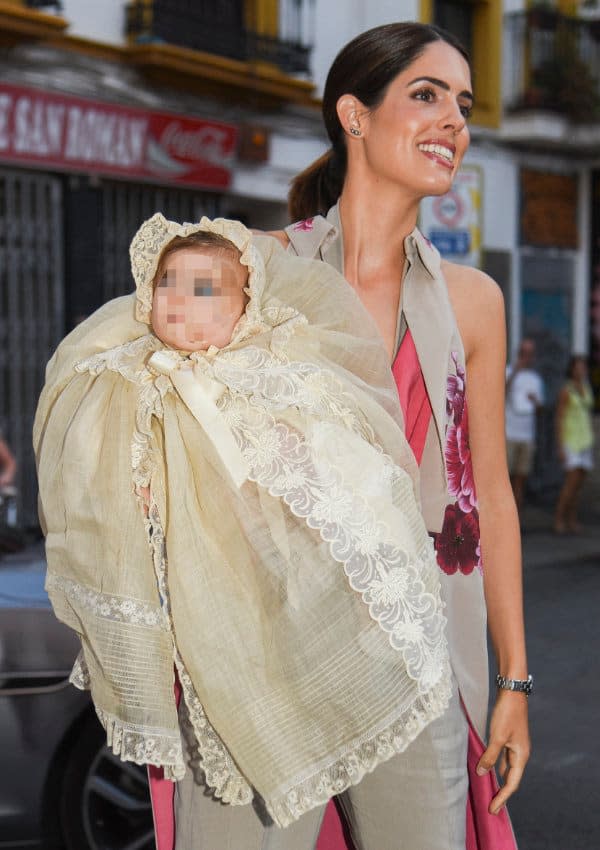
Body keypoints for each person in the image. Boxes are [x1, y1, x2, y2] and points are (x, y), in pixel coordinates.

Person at [34, 215, 454, 848]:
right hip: (234, 656)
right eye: (168, 282)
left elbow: (359, 484)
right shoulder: (130, 386)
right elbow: (102, 501)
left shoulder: (285, 368)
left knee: (411, 828)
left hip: (348, 633)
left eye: (206, 289)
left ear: (247, 302)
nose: (179, 299)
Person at [263, 21, 530, 850]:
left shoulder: (473, 300)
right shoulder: (260, 271)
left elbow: (487, 490)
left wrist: (514, 678)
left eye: (463, 103)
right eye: (426, 94)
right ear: (354, 114)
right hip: (274, 653)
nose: (454, 119)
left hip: (417, 654)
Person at [554, 355, 595, 534]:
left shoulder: (586, 387)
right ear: (572, 369)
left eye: (583, 367)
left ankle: (572, 520)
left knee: (578, 484)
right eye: (578, 367)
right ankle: (558, 519)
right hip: (571, 440)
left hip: (585, 440)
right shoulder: (566, 390)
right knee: (570, 483)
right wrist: (561, 445)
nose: (581, 370)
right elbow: (559, 418)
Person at [505, 338, 545, 511]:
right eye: (523, 353)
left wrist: (536, 403)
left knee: (521, 481)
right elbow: (500, 394)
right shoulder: (507, 371)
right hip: (509, 434)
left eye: (530, 354)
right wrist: (515, 371)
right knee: (505, 481)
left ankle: (517, 521)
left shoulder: (535, 379)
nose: (527, 357)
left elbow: (539, 409)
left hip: (526, 436)